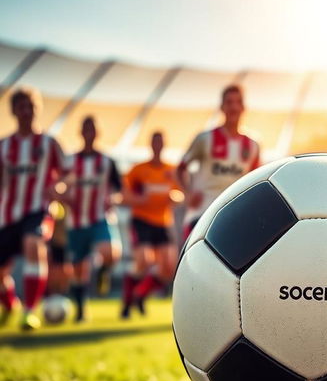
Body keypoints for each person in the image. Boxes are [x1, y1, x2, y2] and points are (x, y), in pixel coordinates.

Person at [0, 87, 66, 330]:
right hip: (7, 216)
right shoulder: (4, 146)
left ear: (37, 110)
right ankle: (10, 304)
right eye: (21, 107)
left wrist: (59, 187)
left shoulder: (49, 144)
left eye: (31, 107)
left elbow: (68, 174)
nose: (27, 111)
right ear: (14, 111)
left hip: (39, 210)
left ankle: (30, 311)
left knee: (32, 244)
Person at [177, 84, 260, 237]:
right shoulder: (205, 139)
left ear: (243, 107)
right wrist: (188, 193)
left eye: (238, 102)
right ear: (222, 107)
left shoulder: (253, 145)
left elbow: (256, 181)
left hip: (235, 217)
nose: (234, 107)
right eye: (229, 102)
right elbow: (181, 168)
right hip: (201, 214)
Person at [62, 116, 122, 322]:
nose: (89, 132)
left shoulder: (107, 161)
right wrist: (63, 197)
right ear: (81, 131)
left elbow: (119, 191)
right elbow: (56, 186)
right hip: (76, 221)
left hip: (99, 217)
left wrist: (113, 199)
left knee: (111, 253)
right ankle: (80, 310)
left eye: (92, 128)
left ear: (97, 132)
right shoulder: (70, 161)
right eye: (85, 128)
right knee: (78, 269)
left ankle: (104, 271)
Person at [121, 131, 182, 318]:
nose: (158, 145)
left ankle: (140, 294)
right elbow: (125, 193)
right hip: (141, 221)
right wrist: (138, 200)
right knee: (144, 261)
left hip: (163, 222)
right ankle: (127, 302)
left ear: (164, 145)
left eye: (161, 142)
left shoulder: (171, 170)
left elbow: (180, 194)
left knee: (169, 268)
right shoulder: (138, 170)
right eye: (155, 142)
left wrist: (174, 197)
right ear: (151, 144)